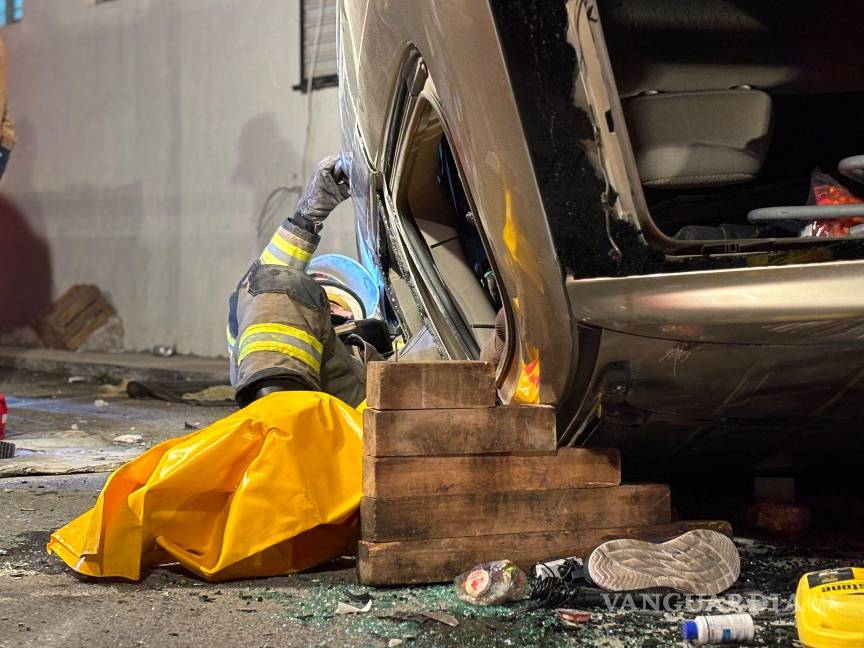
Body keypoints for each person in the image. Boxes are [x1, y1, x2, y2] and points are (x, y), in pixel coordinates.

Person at [227, 155, 376, 407]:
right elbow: (260, 286)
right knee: (276, 286)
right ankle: (280, 417)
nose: (326, 301)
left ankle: (283, 422)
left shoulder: (364, 340)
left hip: (360, 400)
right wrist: (305, 219)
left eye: (333, 301)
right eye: (319, 291)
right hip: (299, 403)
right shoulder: (259, 327)